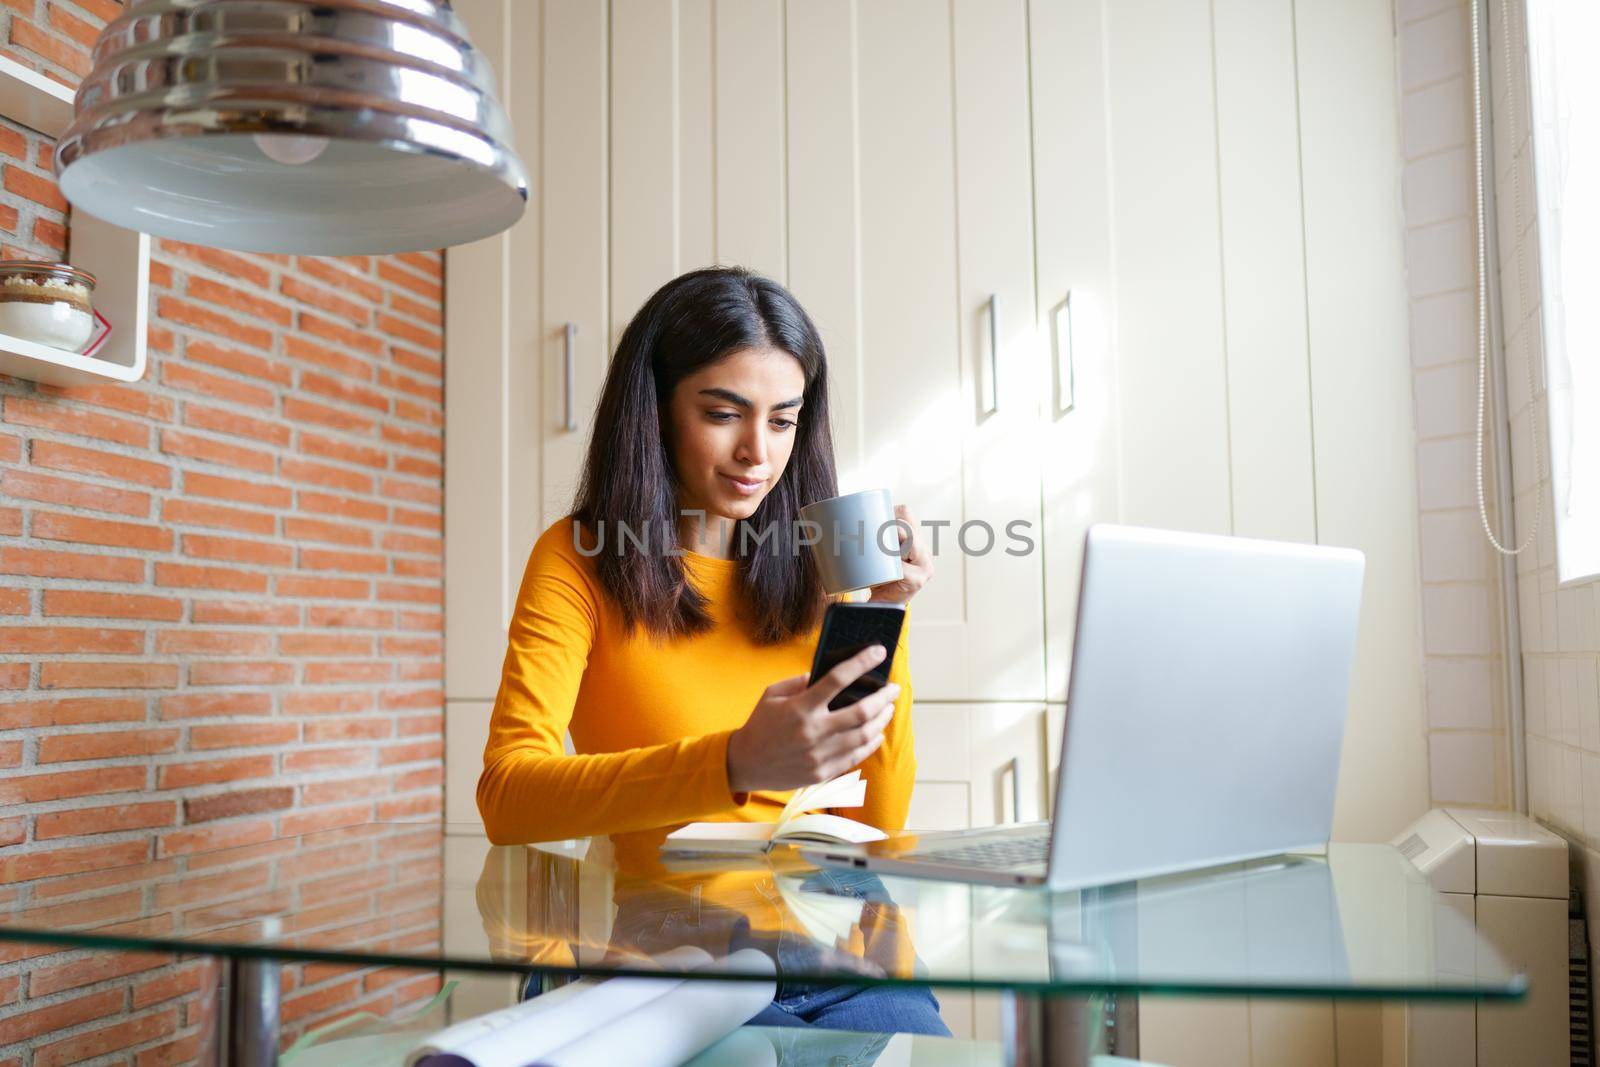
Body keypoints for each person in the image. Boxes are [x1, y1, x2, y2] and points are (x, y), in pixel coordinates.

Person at [476, 265, 945, 1035]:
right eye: (724, 413)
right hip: (666, 961)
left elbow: (876, 822)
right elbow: (508, 796)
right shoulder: (581, 556)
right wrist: (733, 764)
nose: (757, 453)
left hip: (836, 955)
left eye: (784, 420)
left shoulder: (822, 551)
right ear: (655, 409)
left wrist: (885, 620)